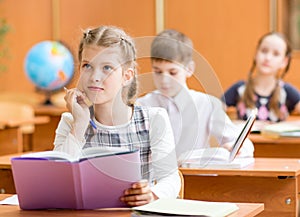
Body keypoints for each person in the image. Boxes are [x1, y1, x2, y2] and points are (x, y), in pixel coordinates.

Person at [53, 25, 180, 207]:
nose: (94, 76)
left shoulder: (154, 120)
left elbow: (171, 179)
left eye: (107, 68)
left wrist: (152, 194)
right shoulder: (70, 121)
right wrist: (79, 126)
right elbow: (57, 181)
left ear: (126, 76)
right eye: (87, 66)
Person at [137, 29, 254, 162]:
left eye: (173, 72)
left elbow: (242, 143)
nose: (164, 80)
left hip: (195, 177)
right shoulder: (143, 105)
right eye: (158, 72)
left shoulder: (207, 105)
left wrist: (235, 148)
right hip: (156, 179)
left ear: (189, 69)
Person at [222, 32, 300, 122]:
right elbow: (214, 110)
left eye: (276, 54)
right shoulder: (240, 88)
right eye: (264, 51)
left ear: (284, 62)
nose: (268, 58)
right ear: (256, 54)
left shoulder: (286, 91)